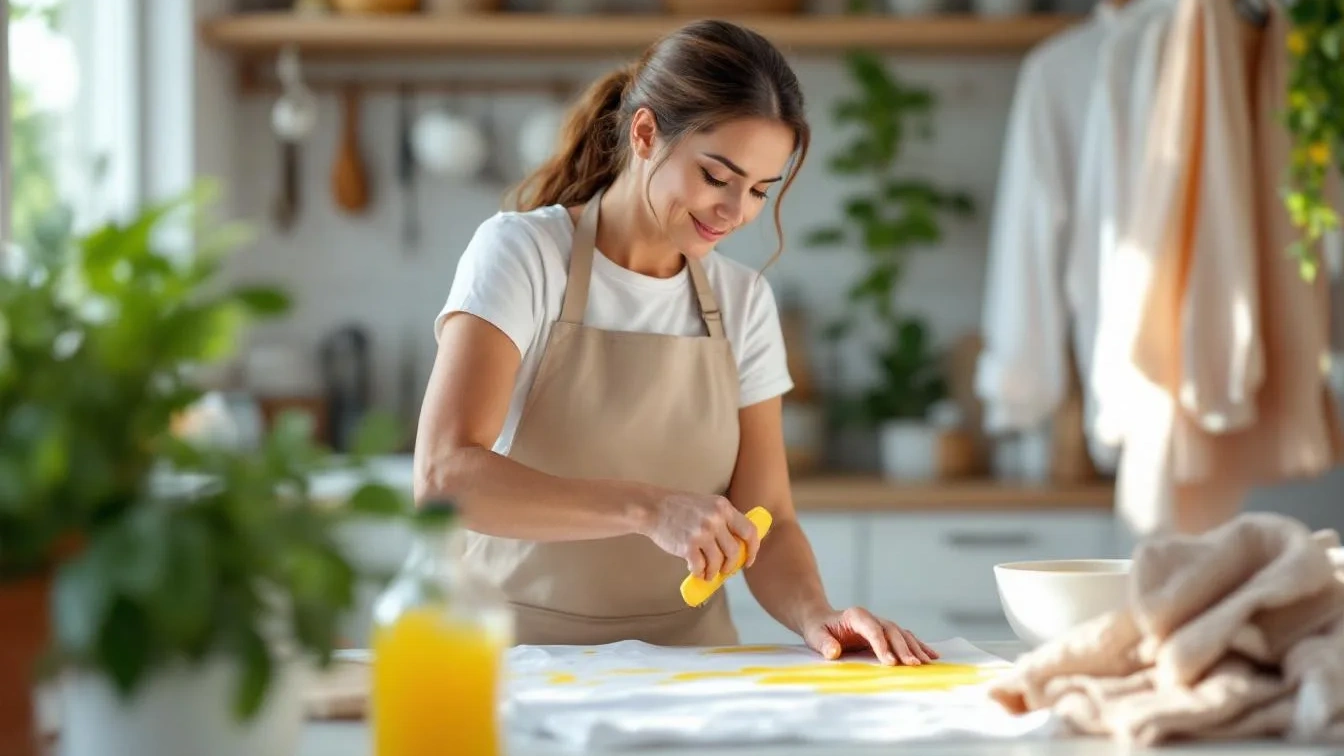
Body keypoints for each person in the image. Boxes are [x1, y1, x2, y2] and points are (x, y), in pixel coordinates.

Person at [415, 18, 938, 667]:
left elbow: (766, 516)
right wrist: (647, 507)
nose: (736, 212)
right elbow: (444, 478)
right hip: (507, 659)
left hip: (685, 670)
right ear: (644, 135)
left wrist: (819, 616)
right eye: (717, 176)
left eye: (757, 190)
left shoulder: (744, 301)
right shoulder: (523, 254)